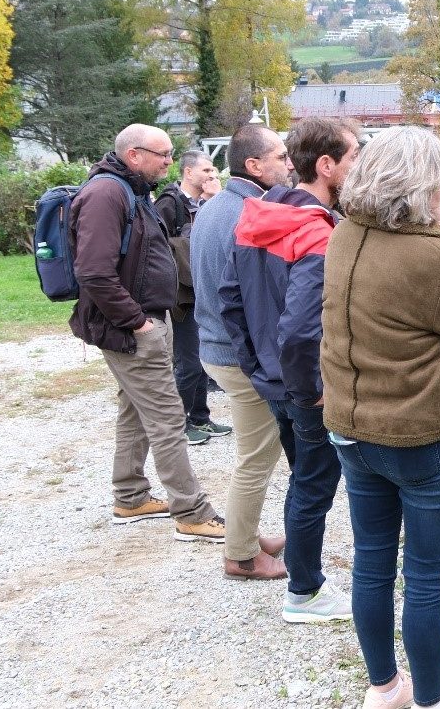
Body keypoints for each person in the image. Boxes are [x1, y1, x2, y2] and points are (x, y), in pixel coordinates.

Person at [321, 126, 440, 709]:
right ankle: (430, 700)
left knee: (373, 563)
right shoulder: (434, 256)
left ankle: (385, 687)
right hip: (420, 435)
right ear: (427, 187)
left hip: (352, 428)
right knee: (427, 578)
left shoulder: (344, 234)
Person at [220, 117, 361, 621]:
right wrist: (310, 390)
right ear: (326, 167)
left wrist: (258, 369)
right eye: (354, 158)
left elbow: (229, 300)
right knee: (313, 484)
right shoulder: (316, 233)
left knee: (303, 478)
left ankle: (303, 580)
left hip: (273, 379)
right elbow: (302, 329)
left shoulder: (258, 215)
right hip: (301, 386)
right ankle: (304, 590)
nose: (359, 167)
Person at [69, 123, 224, 543]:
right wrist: (137, 321)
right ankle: (191, 512)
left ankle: (130, 497)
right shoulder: (107, 194)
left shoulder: (130, 189)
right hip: (132, 328)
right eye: (163, 153)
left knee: (134, 410)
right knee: (167, 415)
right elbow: (94, 272)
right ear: (134, 154)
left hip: (147, 320)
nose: (171, 161)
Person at [191, 123, 293, 580]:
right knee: (256, 458)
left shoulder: (216, 205)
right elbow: (252, 299)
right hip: (236, 355)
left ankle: (245, 537)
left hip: (217, 347)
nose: (289, 164)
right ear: (253, 165)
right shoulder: (247, 213)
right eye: (280, 156)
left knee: (254, 454)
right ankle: (241, 556)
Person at [156, 150, 231, 446]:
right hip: (183, 297)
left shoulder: (204, 203)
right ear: (189, 173)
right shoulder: (170, 203)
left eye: (214, 172)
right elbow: (160, 248)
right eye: (207, 171)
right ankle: (178, 425)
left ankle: (200, 416)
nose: (212, 176)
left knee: (201, 360)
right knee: (187, 362)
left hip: (203, 292)